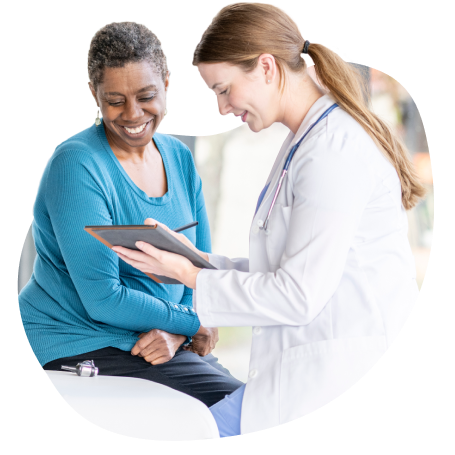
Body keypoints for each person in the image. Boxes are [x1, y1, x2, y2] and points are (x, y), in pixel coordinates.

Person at [112, 3, 426, 437]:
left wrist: (192, 276)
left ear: (266, 67)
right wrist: (195, 261)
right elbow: (280, 269)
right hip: (302, 372)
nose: (222, 108)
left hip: (334, 372)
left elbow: (296, 294)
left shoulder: (332, 151)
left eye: (223, 89)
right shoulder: (305, 143)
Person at [18, 21, 243, 408]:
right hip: (79, 342)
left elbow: (199, 270)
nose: (132, 114)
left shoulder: (179, 159)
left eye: (146, 96)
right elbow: (103, 299)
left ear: (168, 83)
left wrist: (179, 335)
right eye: (115, 100)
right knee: (235, 404)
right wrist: (192, 324)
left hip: (157, 340)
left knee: (255, 400)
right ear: (94, 93)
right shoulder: (77, 165)